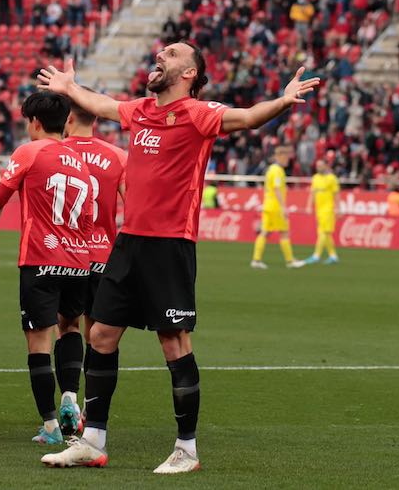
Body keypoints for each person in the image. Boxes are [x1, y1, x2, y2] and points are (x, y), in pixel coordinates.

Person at [36, 42, 319, 472]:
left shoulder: (200, 114)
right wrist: (71, 88)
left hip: (170, 245)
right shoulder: (143, 110)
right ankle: (93, 441)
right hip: (129, 243)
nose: (160, 55)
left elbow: (246, 117)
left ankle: (186, 449)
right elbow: (104, 104)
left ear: (189, 73)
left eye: (171, 53)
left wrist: (282, 100)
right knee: (101, 336)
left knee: (173, 342)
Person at [0, 91, 94, 445]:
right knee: (70, 327)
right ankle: (69, 397)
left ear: (34, 123)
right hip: (79, 260)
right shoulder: (80, 160)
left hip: (40, 259)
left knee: (38, 341)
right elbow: (89, 215)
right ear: (66, 121)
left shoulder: (28, 152)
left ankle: (50, 425)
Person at [61, 97, 126, 426]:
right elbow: (134, 208)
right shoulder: (117, 157)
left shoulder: (55, 152)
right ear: (96, 119)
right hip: (104, 255)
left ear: (68, 118)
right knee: (96, 337)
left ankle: (68, 400)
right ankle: (90, 410)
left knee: (66, 328)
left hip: (68, 254)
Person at [251, 146, 305, 269]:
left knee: (264, 232)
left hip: (268, 205)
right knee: (284, 232)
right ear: (280, 156)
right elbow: (276, 188)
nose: (287, 160)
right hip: (275, 207)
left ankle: (256, 260)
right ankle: (290, 261)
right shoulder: (277, 171)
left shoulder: (271, 169)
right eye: (286, 157)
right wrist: (283, 207)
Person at [304, 159, 340, 265]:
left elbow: (336, 194)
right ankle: (333, 256)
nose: (318, 167)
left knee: (323, 232)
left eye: (320, 165)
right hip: (318, 210)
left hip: (328, 209)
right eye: (317, 165)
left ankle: (316, 255)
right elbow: (313, 193)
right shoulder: (315, 178)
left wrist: (338, 208)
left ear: (326, 166)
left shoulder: (332, 178)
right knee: (326, 234)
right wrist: (309, 205)